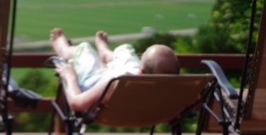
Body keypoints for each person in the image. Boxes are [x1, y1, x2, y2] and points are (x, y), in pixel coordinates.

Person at [49, 28, 180, 112]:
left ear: (141, 72)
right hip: (134, 83)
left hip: (97, 80)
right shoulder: (181, 91)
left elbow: (76, 104)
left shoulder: (116, 84)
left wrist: (69, 76)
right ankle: (106, 54)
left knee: (85, 50)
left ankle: (64, 50)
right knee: (126, 52)